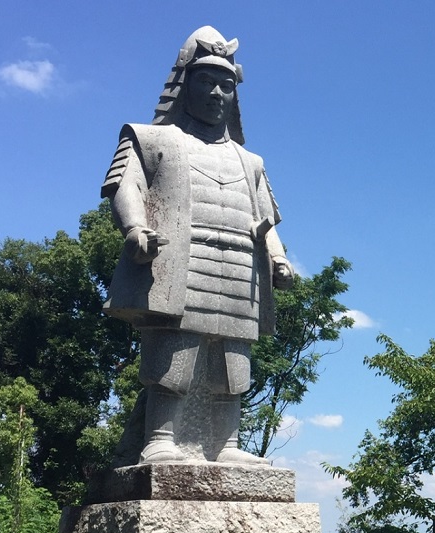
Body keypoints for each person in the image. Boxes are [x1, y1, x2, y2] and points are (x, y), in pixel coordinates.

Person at [101, 26, 293, 466]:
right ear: (184, 85)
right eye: (206, 81)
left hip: (241, 273)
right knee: (175, 355)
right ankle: (160, 440)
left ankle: (225, 446)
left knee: (233, 366)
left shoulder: (251, 161)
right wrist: (135, 230)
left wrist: (278, 258)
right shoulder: (151, 139)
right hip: (180, 261)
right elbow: (123, 186)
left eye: (226, 85)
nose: (216, 92)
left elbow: (266, 218)